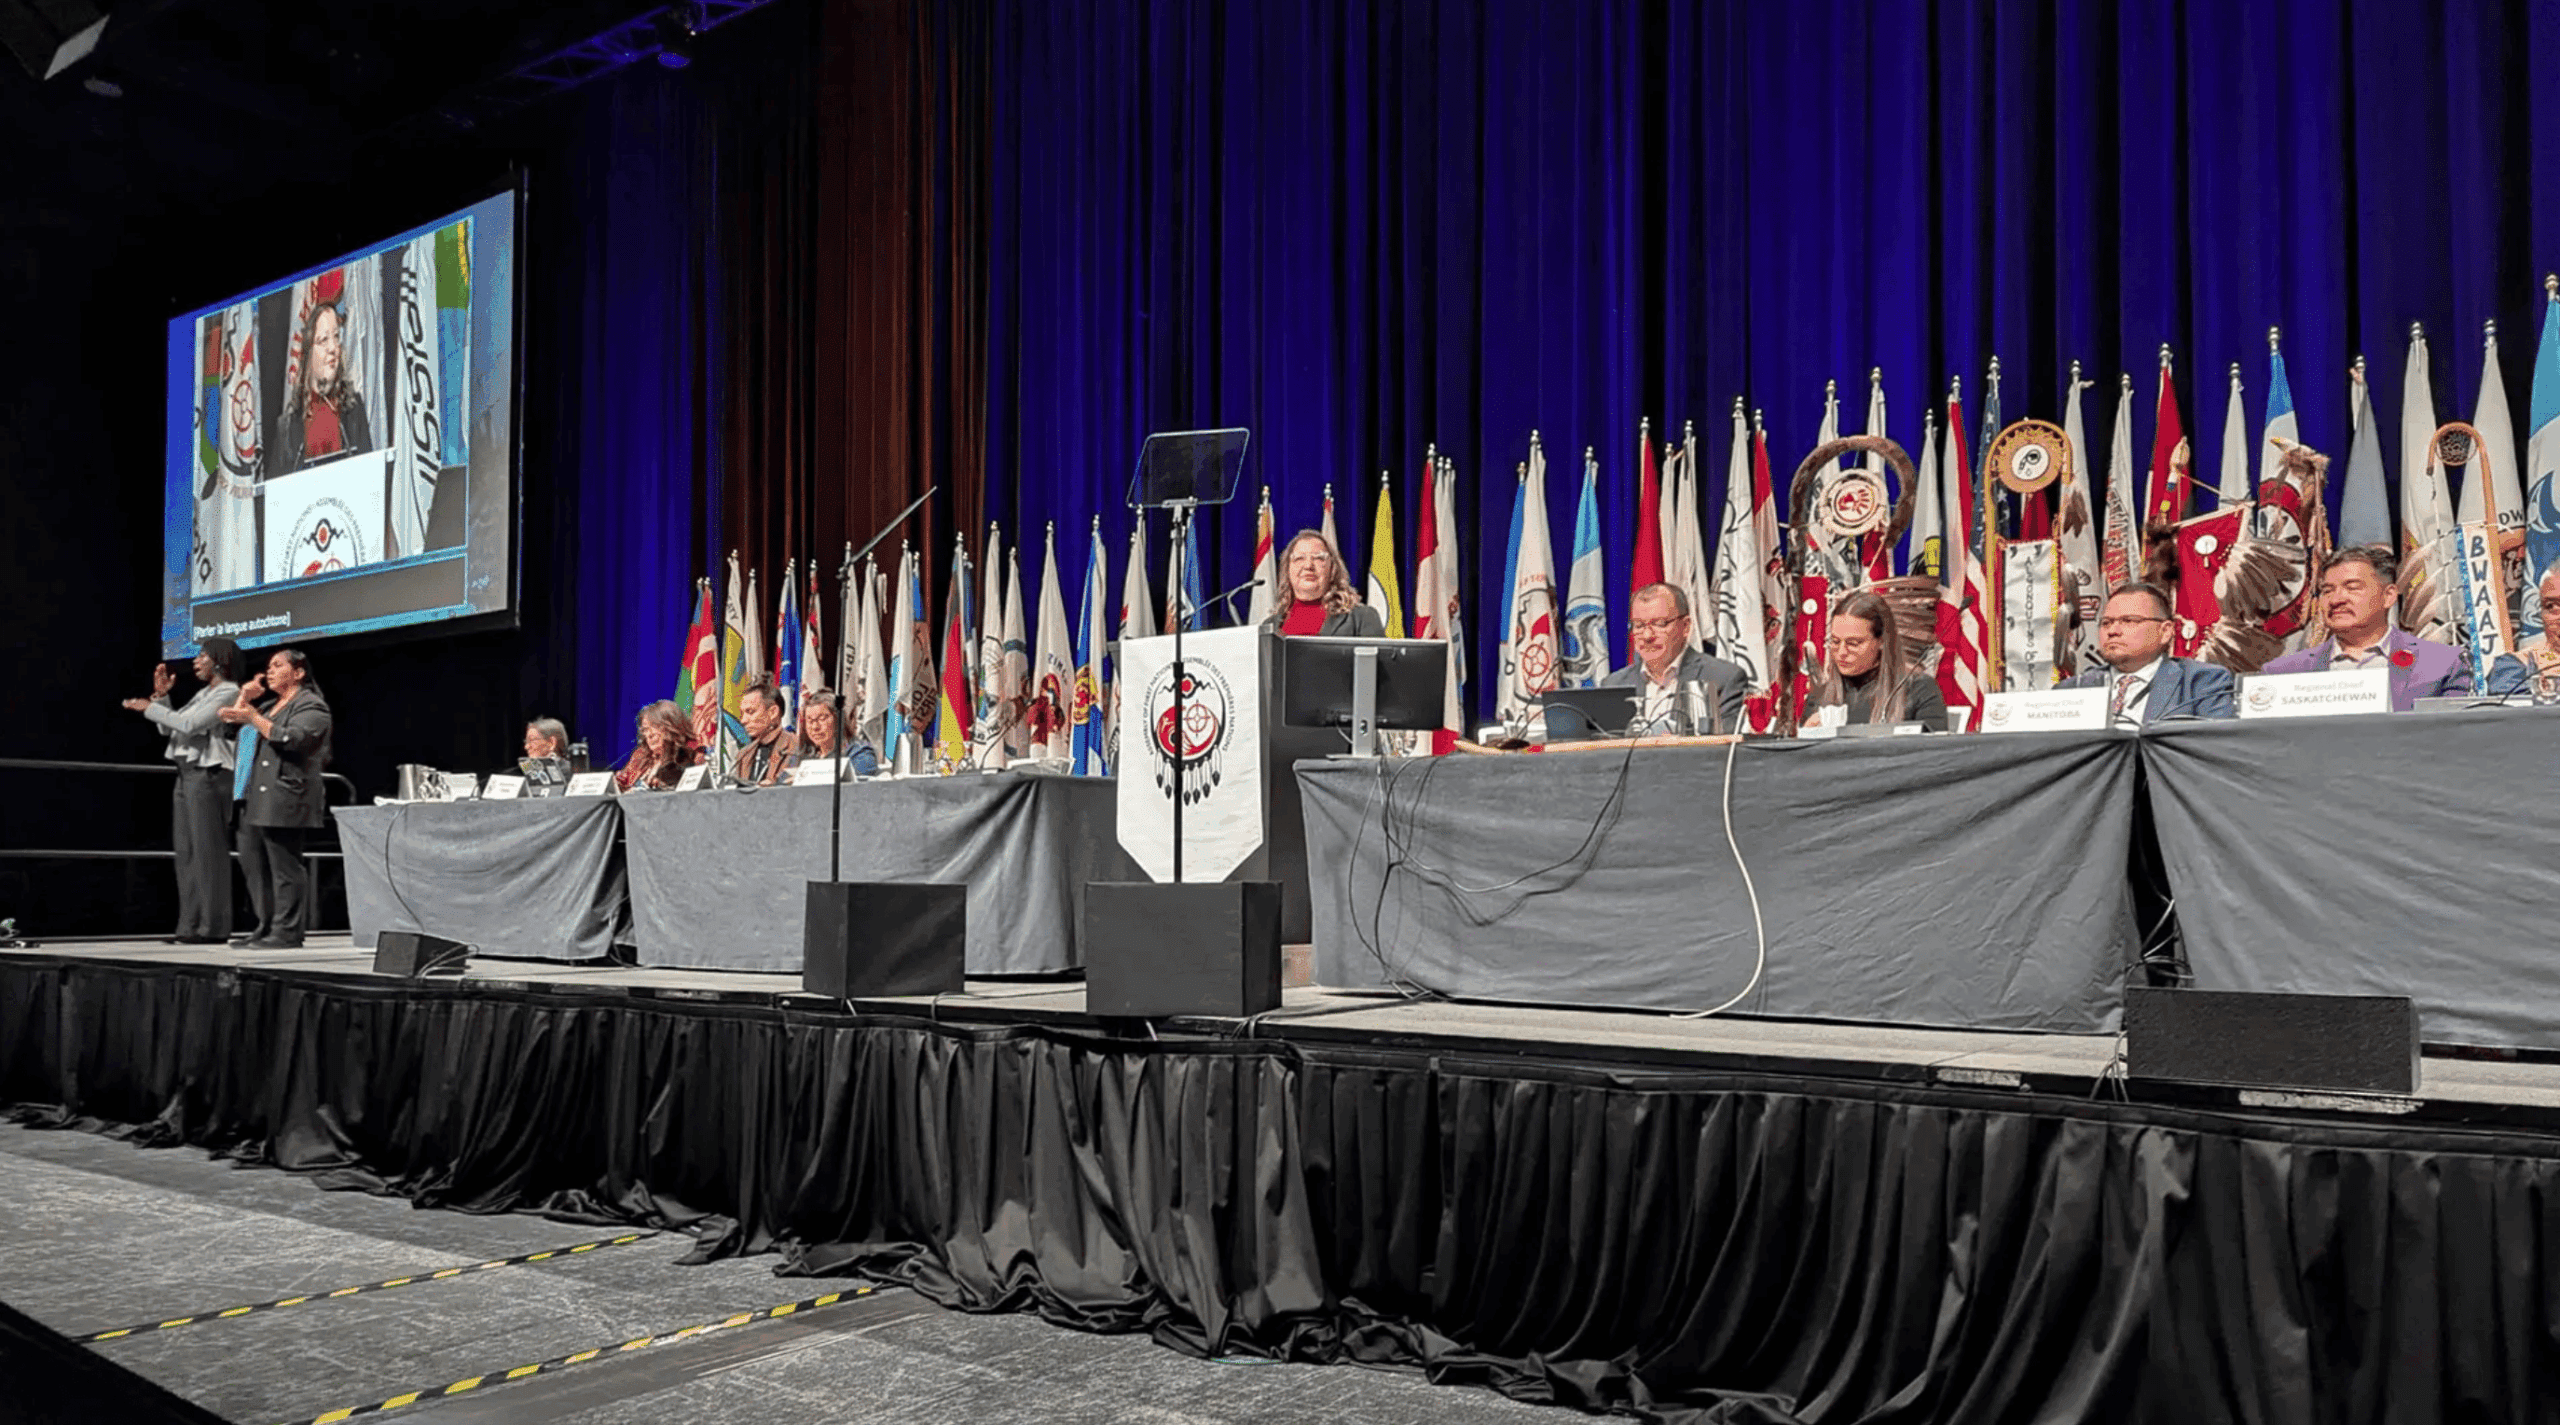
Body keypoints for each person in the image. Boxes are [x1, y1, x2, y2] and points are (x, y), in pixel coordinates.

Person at [122, 638, 245, 944]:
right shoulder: (205, 692)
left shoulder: (229, 691)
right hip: (187, 774)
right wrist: (162, 699)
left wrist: (151, 708)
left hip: (209, 775)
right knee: (186, 854)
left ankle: (213, 927)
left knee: (208, 853)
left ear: (218, 660)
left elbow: (189, 725)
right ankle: (189, 925)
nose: (196, 661)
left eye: (203, 655)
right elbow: (170, 727)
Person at [2258, 545, 2470, 711]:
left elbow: (2451, 742)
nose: (2336, 599)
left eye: (2352, 588)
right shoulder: (2282, 675)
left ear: (2388, 596)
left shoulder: (2443, 664)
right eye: (2327, 590)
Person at [217, 648, 333, 949]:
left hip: (285, 794)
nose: (269, 671)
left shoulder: (311, 705)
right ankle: (266, 925)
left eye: (277, 666)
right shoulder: (270, 705)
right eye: (268, 666)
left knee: (284, 866)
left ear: (298, 673)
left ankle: (288, 931)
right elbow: (228, 725)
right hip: (255, 795)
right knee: (257, 867)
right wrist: (245, 698)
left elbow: (292, 739)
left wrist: (253, 715)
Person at [2058, 582, 2237, 725]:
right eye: (2106, 623)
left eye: (2128, 621)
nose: (2113, 630)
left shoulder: (2202, 683)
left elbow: (2214, 752)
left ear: (2165, 631)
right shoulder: (2071, 690)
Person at [1595, 583, 1749, 734]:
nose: (1648, 636)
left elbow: (1724, 749)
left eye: (1659, 624)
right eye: (1639, 626)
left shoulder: (1722, 678)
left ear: (1686, 626)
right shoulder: (1613, 685)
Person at [1803, 587, 1948, 731]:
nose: (1841, 652)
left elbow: (1934, 751)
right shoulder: (1820, 696)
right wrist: (1804, 736)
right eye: (1835, 641)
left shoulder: (1918, 690)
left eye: (1853, 643)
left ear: (1882, 641)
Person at [273, 298, 372, 475]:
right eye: (324, 340)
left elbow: (370, 478)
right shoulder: (287, 427)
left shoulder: (354, 410)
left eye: (336, 337)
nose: (333, 347)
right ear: (308, 354)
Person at [1262, 530, 1386, 638]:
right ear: (1287, 571)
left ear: (1332, 570)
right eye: (1299, 558)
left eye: (1318, 558)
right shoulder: (1269, 625)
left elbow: (1378, 663)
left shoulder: (1361, 617)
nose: (1308, 566)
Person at [792, 687, 881, 778]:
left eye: (822, 718)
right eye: (810, 721)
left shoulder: (859, 754)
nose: (815, 727)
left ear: (838, 719)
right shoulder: (806, 756)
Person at [615, 700, 701, 792]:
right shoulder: (640, 756)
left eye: (655, 727)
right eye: (646, 730)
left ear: (672, 727)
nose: (649, 735)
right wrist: (616, 784)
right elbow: (623, 785)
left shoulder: (692, 754)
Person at [730, 681, 792, 786]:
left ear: (772, 712)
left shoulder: (796, 747)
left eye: (750, 712)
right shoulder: (743, 754)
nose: (743, 720)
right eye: (742, 713)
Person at [521, 716, 572, 793]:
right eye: (526, 742)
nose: (526, 747)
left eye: (532, 740)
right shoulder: (528, 767)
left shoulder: (570, 771)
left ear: (552, 743)